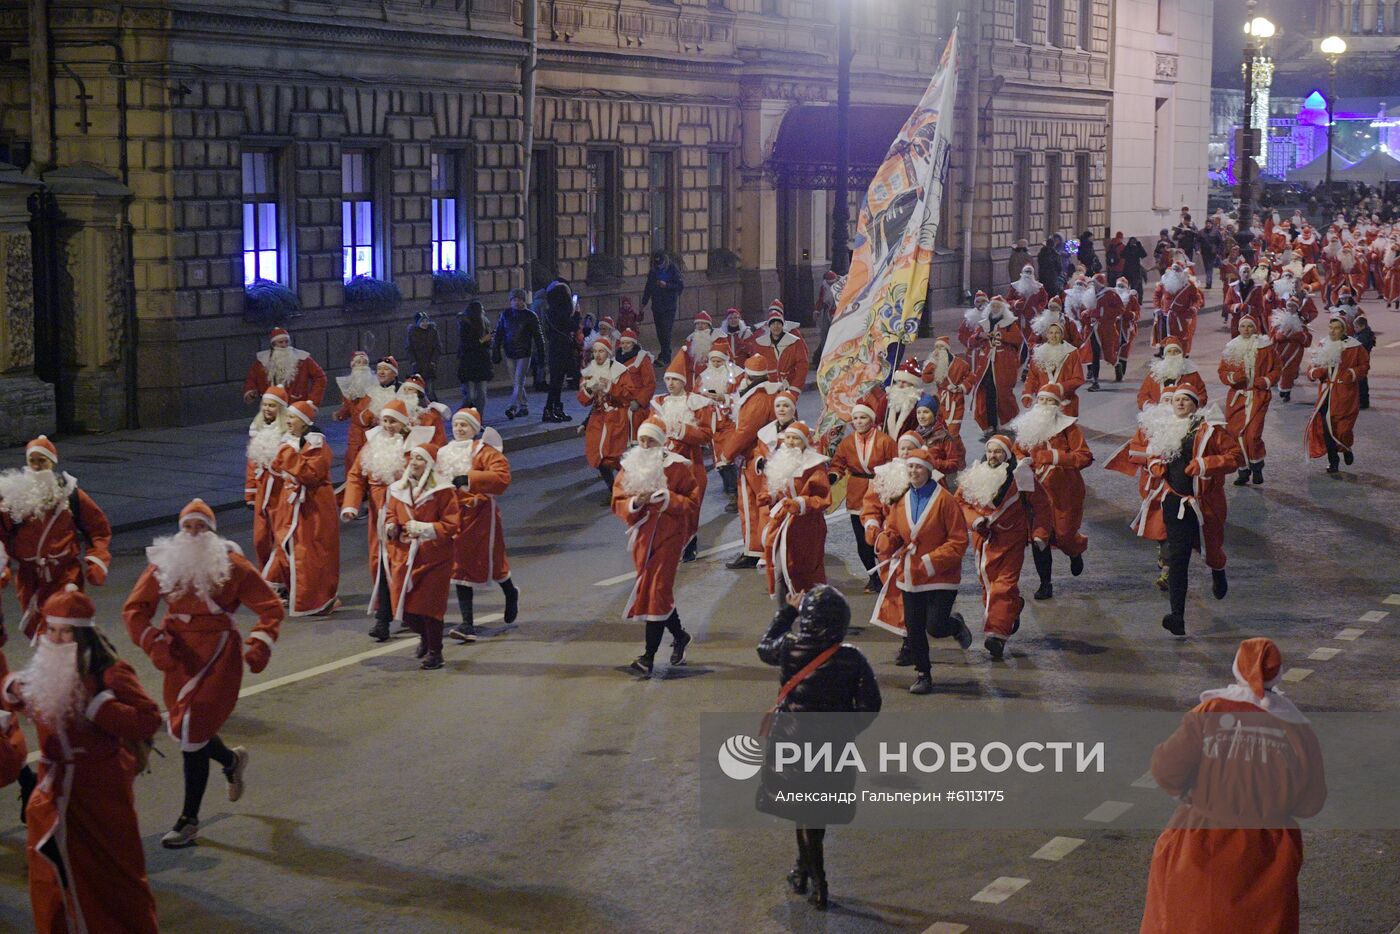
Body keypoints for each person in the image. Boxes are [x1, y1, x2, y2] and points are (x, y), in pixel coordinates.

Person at [122, 498, 282, 848]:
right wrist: (154, 643)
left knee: (191, 729)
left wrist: (259, 645)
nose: (194, 533)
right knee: (184, 729)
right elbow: (135, 609)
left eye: (201, 527)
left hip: (218, 656)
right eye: (188, 527)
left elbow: (270, 606)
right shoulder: (164, 564)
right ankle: (231, 760)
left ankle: (188, 819)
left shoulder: (232, 565)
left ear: (212, 532)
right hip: (179, 655)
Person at [1141, 638, 1327, 934]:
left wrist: (1192, 794)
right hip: (1268, 851)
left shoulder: (1209, 711)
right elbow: (1311, 802)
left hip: (1198, 841)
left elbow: (1166, 769)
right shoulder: (1296, 726)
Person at [3, 585, 161, 931]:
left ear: (83, 633)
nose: (57, 639)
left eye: (66, 631)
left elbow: (149, 719)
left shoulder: (111, 671)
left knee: (114, 872)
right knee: (49, 871)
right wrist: (13, 689)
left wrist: (101, 707)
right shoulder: (47, 674)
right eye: (52, 630)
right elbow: (21, 695)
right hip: (53, 789)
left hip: (100, 789)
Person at [756, 585, 881, 912]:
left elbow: (763, 645)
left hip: (791, 744)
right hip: (832, 749)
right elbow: (871, 704)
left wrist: (787, 611)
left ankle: (817, 880)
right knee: (815, 813)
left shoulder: (789, 647)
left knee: (804, 812)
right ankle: (805, 871)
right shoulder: (852, 658)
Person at [1130, 388, 1240, 636]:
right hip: (1175, 503)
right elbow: (1151, 453)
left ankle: (1218, 569)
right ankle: (1177, 616)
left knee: (1212, 548)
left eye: (1185, 399)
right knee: (1178, 559)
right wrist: (1155, 463)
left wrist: (1205, 464)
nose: (1179, 402)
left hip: (1206, 503)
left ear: (1195, 405)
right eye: (1176, 399)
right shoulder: (1165, 428)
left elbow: (1235, 457)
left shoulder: (1209, 429)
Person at [871, 448, 970, 695]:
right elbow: (893, 529)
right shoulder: (902, 500)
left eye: (918, 468)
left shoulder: (946, 500)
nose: (914, 472)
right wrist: (886, 540)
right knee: (914, 628)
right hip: (911, 574)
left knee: (935, 627)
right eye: (910, 468)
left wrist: (929, 561)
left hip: (941, 576)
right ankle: (923, 673)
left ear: (928, 471)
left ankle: (954, 625)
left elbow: (958, 542)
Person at [0, 436, 112, 641]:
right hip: (29, 578)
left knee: (65, 627)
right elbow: (2, 536)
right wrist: (2, 566)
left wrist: (97, 559)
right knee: (40, 633)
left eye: (42, 460)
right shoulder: (14, 499)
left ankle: (74, 666)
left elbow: (98, 528)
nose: (37, 466)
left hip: (65, 574)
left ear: (52, 462)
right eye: (32, 460)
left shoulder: (70, 495)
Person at [612, 418, 699, 677]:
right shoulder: (630, 466)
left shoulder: (678, 467)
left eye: (651, 440)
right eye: (642, 439)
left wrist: (669, 500)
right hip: (642, 536)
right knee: (654, 590)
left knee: (658, 590)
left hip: (669, 536)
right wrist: (635, 504)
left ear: (662, 442)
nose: (646, 444)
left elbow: (692, 503)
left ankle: (648, 657)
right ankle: (680, 635)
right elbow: (617, 499)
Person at [438, 409, 520, 643]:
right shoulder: (444, 452)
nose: (459, 429)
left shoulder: (484, 451)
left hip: (480, 515)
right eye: (456, 425)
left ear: (474, 429)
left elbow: (502, 477)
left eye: (465, 425)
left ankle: (510, 591)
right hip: (453, 516)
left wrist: (470, 478)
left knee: (492, 562)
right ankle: (467, 624)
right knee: (459, 567)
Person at [341, 399, 417, 642]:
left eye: (393, 421)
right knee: (381, 563)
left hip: (405, 513)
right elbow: (355, 476)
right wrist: (352, 505)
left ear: (403, 424)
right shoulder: (371, 446)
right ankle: (384, 617)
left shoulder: (414, 448)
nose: (387, 425)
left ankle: (405, 612)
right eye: (384, 420)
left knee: (403, 564)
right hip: (378, 515)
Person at [384, 441, 463, 670]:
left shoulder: (443, 491)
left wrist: (424, 528)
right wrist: (391, 527)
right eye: (413, 458)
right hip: (405, 556)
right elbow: (391, 513)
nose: (414, 463)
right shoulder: (398, 489)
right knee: (406, 609)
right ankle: (425, 639)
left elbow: (451, 525)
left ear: (429, 464)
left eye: (420, 459)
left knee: (430, 607)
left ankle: (435, 652)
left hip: (434, 557)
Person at [1010, 386, 1092, 599]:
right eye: (1042, 400)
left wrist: (1055, 457)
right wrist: (1021, 460)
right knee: (1040, 538)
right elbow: (1017, 450)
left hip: (1066, 492)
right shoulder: (1028, 427)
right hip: (1036, 492)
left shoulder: (1069, 428)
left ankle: (1075, 549)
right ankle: (1045, 583)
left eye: (1050, 401)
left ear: (1058, 405)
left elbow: (1084, 456)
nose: (1044, 405)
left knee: (1064, 535)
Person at [955, 436, 1031, 659]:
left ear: (1007, 454)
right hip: (983, 541)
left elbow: (1041, 504)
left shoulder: (1022, 476)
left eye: (998, 452)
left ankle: (996, 637)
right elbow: (959, 502)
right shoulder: (975, 474)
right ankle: (1012, 608)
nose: (992, 456)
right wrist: (975, 520)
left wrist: (1040, 535)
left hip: (1012, 540)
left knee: (1003, 587)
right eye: (990, 451)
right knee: (988, 587)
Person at [265, 401, 341, 616]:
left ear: (305, 422)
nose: (288, 421)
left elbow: (310, 475)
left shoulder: (318, 446)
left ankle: (318, 599)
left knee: (311, 553)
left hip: (314, 506)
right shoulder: (289, 442)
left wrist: (286, 454)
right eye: (287, 417)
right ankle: (289, 590)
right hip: (291, 504)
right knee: (286, 546)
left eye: (293, 417)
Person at [718, 356, 783, 567]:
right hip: (765, 457)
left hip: (754, 458)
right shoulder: (770, 394)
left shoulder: (757, 399)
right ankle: (761, 549)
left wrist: (726, 454)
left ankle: (757, 551)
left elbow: (745, 431)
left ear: (747, 376)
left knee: (752, 506)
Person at [828, 402, 897, 593]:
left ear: (871, 419)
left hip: (880, 492)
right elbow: (838, 464)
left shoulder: (885, 441)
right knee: (862, 541)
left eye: (863, 417)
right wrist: (834, 474)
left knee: (881, 537)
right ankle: (872, 576)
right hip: (857, 493)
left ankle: (887, 573)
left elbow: (896, 463)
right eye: (856, 418)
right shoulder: (847, 442)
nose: (859, 421)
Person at [759, 422, 831, 604]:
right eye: (788, 437)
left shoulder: (814, 465)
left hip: (807, 526)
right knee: (780, 567)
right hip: (783, 522)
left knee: (804, 570)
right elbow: (782, 488)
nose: (790, 442)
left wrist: (801, 503)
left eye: (796, 438)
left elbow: (823, 497)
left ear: (804, 442)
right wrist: (771, 496)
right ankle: (785, 611)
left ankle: (812, 609)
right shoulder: (781, 459)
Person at [651, 358, 715, 562]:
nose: (670, 384)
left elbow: (706, 435)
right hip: (664, 464)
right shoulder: (659, 403)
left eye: (675, 380)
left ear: (683, 382)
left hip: (690, 463)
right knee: (665, 506)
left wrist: (682, 431)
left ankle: (689, 541)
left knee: (689, 505)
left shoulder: (695, 404)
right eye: (667, 379)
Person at [1218, 316, 1280, 486]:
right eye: (1243, 326)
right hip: (1237, 397)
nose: (1246, 329)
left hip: (1258, 396)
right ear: (1238, 328)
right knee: (1235, 433)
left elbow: (1277, 369)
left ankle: (1257, 465)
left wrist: (1265, 381)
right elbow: (1222, 372)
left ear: (1255, 328)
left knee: (1253, 434)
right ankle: (1243, 470)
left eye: (1249, 326)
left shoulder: (1265, 347)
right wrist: (1233, 378)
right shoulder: (1231, 347)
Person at [1306, 314, 1369, 474]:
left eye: (1337, 328)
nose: (1332, 331)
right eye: (1331, 328)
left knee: (1342, 430)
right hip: (1326, 394)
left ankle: (1346, 448)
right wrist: (1315, 372)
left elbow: (1364, 366)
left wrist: (1351, 373)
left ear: (1344, 330)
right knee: (1326, 429)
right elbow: (1311, 367)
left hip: (1345, 395)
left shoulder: (1355, 347)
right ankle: (1333, 461)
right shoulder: (1323, 344)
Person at [578, 335, 633, 503]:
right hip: (597, 419)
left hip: (616, 417)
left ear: (608, 353)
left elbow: (628, 394)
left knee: (613, 456)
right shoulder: (589, 371)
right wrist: (589, 390)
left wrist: (610, 388)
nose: (597, 355)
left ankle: (630, 486)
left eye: (601, 351)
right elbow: (582, 400)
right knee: (597, 455)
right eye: (595, 351)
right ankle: (613, 490)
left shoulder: (619, 370)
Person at [246, 385, 290, 571]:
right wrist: (250, 491)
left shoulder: (288, 433)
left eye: (272, 406)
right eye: (264, 405)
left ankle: (278, 580)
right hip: (262, 490)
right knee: (260, 539)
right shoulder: (257, 430)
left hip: (280, 492)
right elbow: (252, 463)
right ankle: (266, 575)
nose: (267, 409)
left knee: (281, 538)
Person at [967, 295, 1023, 436]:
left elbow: (1018, 340)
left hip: (1003, 363)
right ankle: (990, 424)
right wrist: (980, 336)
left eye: (998, 306)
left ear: (1003, 308)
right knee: (986, 393)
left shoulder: (1010, 323)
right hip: (986, 363)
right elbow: (971, 341)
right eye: (993, 306)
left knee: (1003, 392)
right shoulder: (983, 323)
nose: (995, 308)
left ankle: (1006, 421)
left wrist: (1001, 337)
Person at [493, 288, 546, 420]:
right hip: (510, 352)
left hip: (524, 353)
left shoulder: (530, 316)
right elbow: (499, 332)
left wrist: (541, 355)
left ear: (524, 301)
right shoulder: (505, 314)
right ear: (510, 301)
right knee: (516, 381)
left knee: (518, 380)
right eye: (514, 300)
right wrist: (496, 350)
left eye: (520, 300)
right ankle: (524, 406)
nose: (517, 302)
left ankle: (512, 406)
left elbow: (538, 337)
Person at [242, 327, 328, 407]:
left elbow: (320, 377)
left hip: (297, 405)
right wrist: (250, 391)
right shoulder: (263, 361)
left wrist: (313, 400)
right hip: (271, 406)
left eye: (286, 342)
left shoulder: (302, 358)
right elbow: (252, 378)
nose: (284, 345)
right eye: (280, 342)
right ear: (273, 344)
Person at [1022, 320, 1085, 416]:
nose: (1053, 336)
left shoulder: (1072, 352)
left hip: (1065, 401)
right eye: (1050, 333)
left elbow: (1078, 379)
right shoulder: (1039, 353)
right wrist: (1028, 393)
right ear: (1046, 335)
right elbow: (1032, 377)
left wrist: (1059, 387)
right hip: (1043, 401)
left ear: (1062, 335)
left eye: (1057, 333)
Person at [540, 280, 581, 423]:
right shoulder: (562, 313)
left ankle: (556, 409)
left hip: (554, 348)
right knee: (556, 382)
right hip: (561, 349)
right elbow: (573, 326)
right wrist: (577, 315)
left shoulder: (550, 311)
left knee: (557, 381)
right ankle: (549, 410)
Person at [332, 351, 378, 471]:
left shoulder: (376, 386)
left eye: (364, 362)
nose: (362, 366)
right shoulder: (349, 389)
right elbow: (347, 408)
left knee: (370, 462)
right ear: (353, 366)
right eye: (358, 362)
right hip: (355, 431)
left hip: (371, 431)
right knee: (352, 460)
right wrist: (340, 414)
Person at [1137, 337, 1208, 410]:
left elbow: (1202, 394)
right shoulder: (1155, 374)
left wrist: (1191, 405)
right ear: (1165, 355)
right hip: (1158, 415)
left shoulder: (1191, 373)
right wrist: (1152, 408)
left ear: (1181, 354)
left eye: (1176, 351)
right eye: (1169, 351)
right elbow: (1142, 395)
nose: (1172, 354)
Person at [640, 251, 686, 363]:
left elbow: (680, 285)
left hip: (669, 306)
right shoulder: (653, 272)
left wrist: (667, 286)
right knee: (660, 332)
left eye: (660, 263)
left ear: (665, 261)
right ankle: (664, 353)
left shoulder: (672, 270)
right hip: (657, 306)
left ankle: (666, 356)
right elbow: (648, 288)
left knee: (666, 331)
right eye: (657, 264)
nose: (659, 266)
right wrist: (643, 303)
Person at [1080, 274, 1123, 392]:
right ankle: (1095, 381)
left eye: (1095, 283)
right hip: (1094, 328)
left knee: (1108, 354)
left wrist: (1105, 314)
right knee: (1095, 353)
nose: (1094, 286)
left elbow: (1120, 308)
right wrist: (1087, 314)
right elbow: (1091, 309)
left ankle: (1116, 365)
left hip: (1107, 328)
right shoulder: (1091, 295)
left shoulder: (1111, 294)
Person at [920, 336, 971, 436]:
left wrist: (961, 387)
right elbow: (925, 378)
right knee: (941, 429)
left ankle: (953, 449)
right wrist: (932, 362)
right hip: (941, 400)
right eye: (937, 347)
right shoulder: (936, 364)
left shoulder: (961, 364)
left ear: (947, 349)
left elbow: (971, 377)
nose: (938, 350)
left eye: (941, 347)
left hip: (956, 400)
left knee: (953, 431)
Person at [754, 304, 810, 391]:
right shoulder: (760, 342)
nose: (776, 326)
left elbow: (802, 362)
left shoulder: (794, 340)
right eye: (773, 323)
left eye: (778, 323)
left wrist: (795, 387)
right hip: (768, 388)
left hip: (787, 385)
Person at [615, 328, 657, 441]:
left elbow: (650, 384)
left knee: (637, 442)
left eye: (628, 343)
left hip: (636, 409)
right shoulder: (616, 359)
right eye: (623, 343)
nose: (625, 345)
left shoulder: (642, 359)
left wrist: (639, 402)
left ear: (634, 344)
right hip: (620, 407)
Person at [1269, 299, 1312, 403]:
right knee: (1280, 369)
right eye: (1289, 306)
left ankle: (1286, 391)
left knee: (1289, 371)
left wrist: (1298, 336)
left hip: (1294, 352)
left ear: (1297, 308)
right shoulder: (1279, 320)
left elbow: (1307, 340)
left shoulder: (1301, 322)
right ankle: (1282, 386)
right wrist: (1278, 337)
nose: (1291, 308)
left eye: (1293, 306)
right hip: (1280, 351)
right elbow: (1273, 335)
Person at [456, 300, 494, 414]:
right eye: (481, 309)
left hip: (483, 363)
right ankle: (462, 414)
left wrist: (489, 340)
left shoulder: (485, 322)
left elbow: (488, 344)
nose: (483, 311)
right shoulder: (465, 324)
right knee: (470, 396)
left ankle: (478, 419)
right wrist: (482, 340)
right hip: (469, 364)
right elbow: (467, 345)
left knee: (481, 395)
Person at [911, 394, 965, 473]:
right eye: (918, 412)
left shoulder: (944, 437)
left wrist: (934, 463)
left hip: (938, 480)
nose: (921, 416)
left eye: (926, 412)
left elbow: (954, 464)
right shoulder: (914, 435)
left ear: (934, 414)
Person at [878, 359, 925, 439]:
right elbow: (878, 420)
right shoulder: (887, 399)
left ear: (913, 384)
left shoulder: (920, 402)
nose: (900, 385)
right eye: (898, 381)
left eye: (904, 382)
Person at [399, 374, 449, 446]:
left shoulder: (431, 413)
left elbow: (439, 438)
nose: (406, 392)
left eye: (410, 389)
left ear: (419, 393)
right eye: (404, 389)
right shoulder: (402, 411)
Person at [405, 311, 444, 400]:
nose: (425, 323)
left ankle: (434, 409)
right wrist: (413, 362)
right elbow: (409, 349)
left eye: (426, 321)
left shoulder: (432, 331)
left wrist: (433, 361)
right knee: (418, 391)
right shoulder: (412, 333)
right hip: (418, 366)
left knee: (430, 391)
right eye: (422, 321)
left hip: (430, 366)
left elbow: (437, 347)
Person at [673, 310, 717, 389]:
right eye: (698, 323)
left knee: (710, 395)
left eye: (703, 323)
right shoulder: (690, 339)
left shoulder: (716, 338)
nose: (700, 326)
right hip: (693, 376)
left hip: (711, 375)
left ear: (708, 325)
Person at [1113, 276, 1142, 381]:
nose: (1120, 288)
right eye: (1118, 286)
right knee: (1113, 350)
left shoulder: (1131, 299)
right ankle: (1117, 367)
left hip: (1127, 329)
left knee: (1125, 350)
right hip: (1114, 328)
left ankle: (1121, 373)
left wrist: (1130, 314)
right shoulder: (1111, 297)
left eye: (1122, 286)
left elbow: (1137, 313)